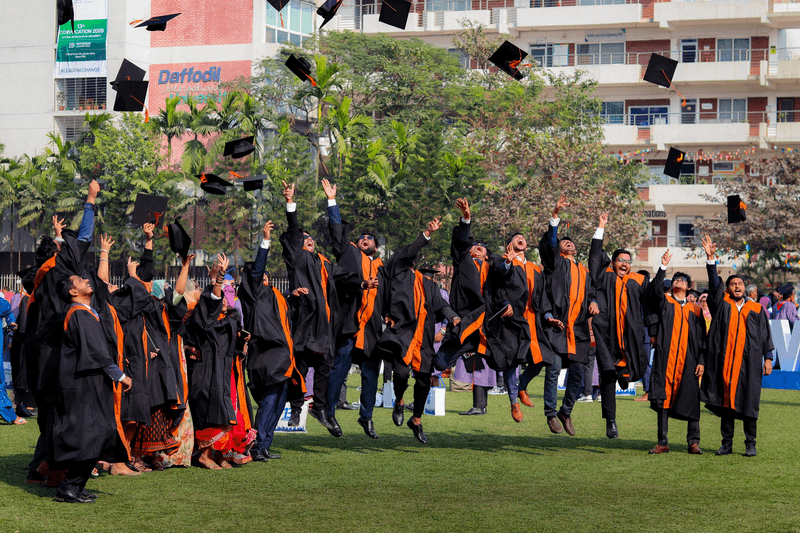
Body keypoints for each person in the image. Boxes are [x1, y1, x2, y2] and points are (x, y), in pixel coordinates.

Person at [25, 182, 99, 486]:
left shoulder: (39, 280)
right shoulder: (61, 272)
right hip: (59, 359)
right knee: (61, 417)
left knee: (50, 416)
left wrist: (56, 234)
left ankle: (38, 470)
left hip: (40, 360)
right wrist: (90, 199)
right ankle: (51, 471)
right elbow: (83, 238)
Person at [279, 181, 362, 434]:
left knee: (326, 367)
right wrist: (290, 203)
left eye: (311, 238)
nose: (309, 240)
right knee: (300, 368)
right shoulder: (297, 258)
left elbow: (346, 276)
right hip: (305, 322)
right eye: (305, 239)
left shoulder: (324, 263)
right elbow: (294, 231)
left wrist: (365, 282)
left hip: (324, 328)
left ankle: (320, 408)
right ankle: (295, 408)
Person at [373, 217, 460, 444]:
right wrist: (427, 234)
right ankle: (400, 400)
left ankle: (417, 420)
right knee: (401, 374)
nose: (409, 257)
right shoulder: (394, 273)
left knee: (424, 380)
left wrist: (454, 317)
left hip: (424, 338)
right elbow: (409, 251)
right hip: (403, 334)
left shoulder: (428, 283)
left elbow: (442, 305)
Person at [51, 273, 132, 502]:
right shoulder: (78, 314)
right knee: (90, 436)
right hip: (82, 386)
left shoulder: (88, 312)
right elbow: (96, 352)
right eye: (79, 280)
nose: (86, 280)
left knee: (99, 433)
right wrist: (121, 376)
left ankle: (77, 486)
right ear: (72, 292)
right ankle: (68, 487)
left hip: (91, 383)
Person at [528, 195, 598, 436]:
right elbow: (548, 244)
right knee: (554, 368)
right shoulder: (555, 264)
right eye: (563, 242)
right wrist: (555, 216)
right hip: (555, 327)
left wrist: (594, 302)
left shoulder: (583, 271)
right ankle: (550, 413)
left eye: (570, 242)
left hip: (577, 329)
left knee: (579, 371)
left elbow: (590, 293)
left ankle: (566, 411)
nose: (567, 243)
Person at [238, 221, 306, 460]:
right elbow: (256, 272)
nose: (264, 277)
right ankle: (256, 445)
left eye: (267, 276)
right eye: (260, 276)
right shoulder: (253, 294)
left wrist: (292, 295)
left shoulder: (274, 295)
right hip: (266, 355)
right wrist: (265, 241)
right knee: (269, 401)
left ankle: (265, 444)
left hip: (283, 356)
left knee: (279, 400)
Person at [700, 236, 773, 457]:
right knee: (726, 404)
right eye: (732, 284)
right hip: (726, 363)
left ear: (745, 287)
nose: (737, 286)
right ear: (728, 289)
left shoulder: (756, 309)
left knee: (750, 402)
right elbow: (714, 285)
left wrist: (768, 358)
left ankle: (750, 443)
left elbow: (765, 336)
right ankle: (727, 443)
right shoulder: (722, 304)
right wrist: (711, 259)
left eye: (740, 283)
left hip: (749, 364)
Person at [322, 179, 383, 438]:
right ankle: (328, 411)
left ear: (376, 246)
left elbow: (389, 294)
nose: (365, 239)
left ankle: (366, 416)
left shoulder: (383, 266)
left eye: (370, 238)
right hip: (350, 322)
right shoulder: (348, 253)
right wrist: (332, 202)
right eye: (362, 237)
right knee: (340, 368)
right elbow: (337, 234)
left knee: (370, 373)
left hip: (373, 328)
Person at [186, 254, 253, 469]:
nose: (224, 299)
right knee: (209, 412)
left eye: (226, 296)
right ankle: (203, 455)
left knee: (225, 412)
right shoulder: (203, 316)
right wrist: (220, 276)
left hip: (224, 373)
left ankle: (219, 454)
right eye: (220, 295)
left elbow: (231, 347)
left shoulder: (231, 320)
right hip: (205, 372)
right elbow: (211, 302)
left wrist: (242, 344)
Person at [589, 213, 649, 439]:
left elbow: (653, 299)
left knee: (638, 366)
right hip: (606, 332)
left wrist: (662, 268)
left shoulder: (638, 280)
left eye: (627, 260)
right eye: (620, 260)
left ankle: (625, 374)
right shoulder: (604, 275)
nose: (624, 263)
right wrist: (601, 227)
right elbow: (595, 257)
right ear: (612, 262)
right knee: (606, 374)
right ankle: (610, 421)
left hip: (630, 332)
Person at [438, 198, 501, 416]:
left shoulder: (494, 269)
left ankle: (481, 405)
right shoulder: (463, 260)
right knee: (441, 360)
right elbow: (461, 243)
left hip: (486, 323)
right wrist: (466, 219)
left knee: (484, 361)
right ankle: (425, 394)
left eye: (483, 247)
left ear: (487, 253)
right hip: (464, 320)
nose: (479, 247)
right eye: (475, 245)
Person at [645, 251, 706, 455]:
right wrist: (662, 267)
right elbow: (653, 293)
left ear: (689, 287)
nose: (678, 282)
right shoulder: (664, 302)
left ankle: (693, 442)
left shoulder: (695, 311)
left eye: (683, 280)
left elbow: (701, 340)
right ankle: (662, 441)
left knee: (691, 398)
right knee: (663, 398)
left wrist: (701, 361)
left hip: (688, 361)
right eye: (676, 279)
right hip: (666, 359)